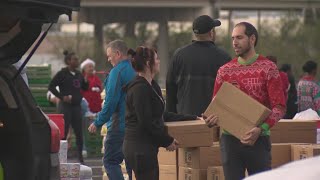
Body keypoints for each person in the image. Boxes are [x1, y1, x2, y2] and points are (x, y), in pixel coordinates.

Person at [203, 22, 286, 180]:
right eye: (233, 38)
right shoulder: (224, 71)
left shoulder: (268, 68)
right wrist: (210, 120)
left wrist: (261, 129)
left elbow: (279, 107)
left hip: (258, 138)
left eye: (239, 37)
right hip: (229, 140)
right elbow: (215, 106)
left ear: (252, 39)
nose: (234, 42)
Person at [123, 47, 198, 180]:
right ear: (148, 63)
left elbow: (161, 115)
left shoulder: (151, 85)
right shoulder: (140, 89)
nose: (159, 61)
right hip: (139, 149)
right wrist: (167, 140)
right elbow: (146, 122)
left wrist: (192, 118)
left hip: (147, 147)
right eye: (156, 58)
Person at [88, 40, 135, 180]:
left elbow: (110, 102)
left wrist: (97, 122)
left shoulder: (117, 72)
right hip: (136, 126)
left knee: (110, 162)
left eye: (109, 56)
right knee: (131, 164)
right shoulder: (136, 70)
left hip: (119, 126)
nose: (108, 59)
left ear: (118, 53)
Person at [166, 15, 231, 116]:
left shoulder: (179, 55)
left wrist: (172, 118)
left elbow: (170, 89)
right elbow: (229, 94)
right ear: (211, 33)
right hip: (214, 121)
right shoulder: (224, 57)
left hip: (184, 120)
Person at [48, 50, 89, 164]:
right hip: (65, 107)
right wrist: (61, 97)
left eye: (77, 59)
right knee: (63, 133)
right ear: (68, 61)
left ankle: (80, 158)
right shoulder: (62, 73)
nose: (77, 61)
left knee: (79, 133)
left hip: (76, 107)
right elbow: (51, 86)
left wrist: (85, 80)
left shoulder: (79, 74)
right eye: (75, 59)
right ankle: (61, 158)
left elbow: (85, 88)